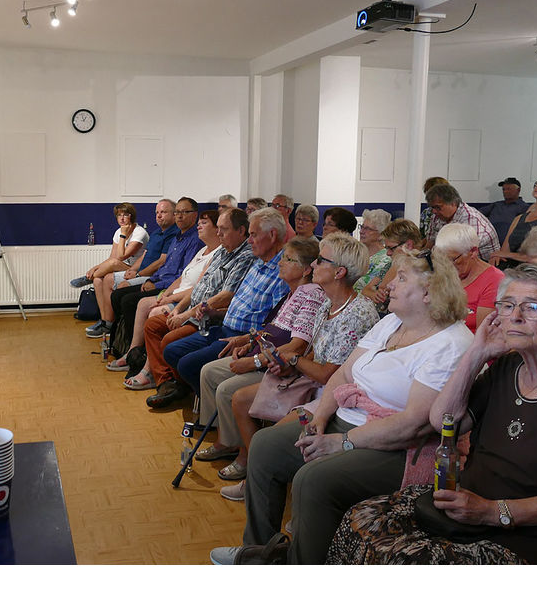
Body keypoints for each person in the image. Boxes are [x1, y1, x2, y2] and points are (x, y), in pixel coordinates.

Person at [209, 248, 473, 565]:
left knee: (313, 479)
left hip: (398, 445)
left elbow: (413, 423)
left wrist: (341, 441)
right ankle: (260, 552)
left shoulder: (450, 343)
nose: (390, 285)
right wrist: (319, 418)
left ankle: (301, 565)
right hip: (344, 419)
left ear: (429, 293)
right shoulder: (391, 323)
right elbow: (344, 373)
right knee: (266, 446)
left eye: (401, 278)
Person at [327, 264, 537, 565]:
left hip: (535, 538)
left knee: (405, 563)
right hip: (468, 513)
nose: (516, 317)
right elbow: (444, 422)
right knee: (362, 522)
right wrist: (476, 353)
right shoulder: (507, 368)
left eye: (532, 307)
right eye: (507, 306)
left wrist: (494, 511)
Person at [210, 234, 380, 497]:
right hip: (311, 382)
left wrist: (292, 360)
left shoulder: (356, 313)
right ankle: (255, 475)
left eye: (321, 260)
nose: (313, 265)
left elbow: (328, 376)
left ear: (339, 272)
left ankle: (261, 484)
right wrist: (289, 366)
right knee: (241, 400)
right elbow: (311, 352)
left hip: (334, 397)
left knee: (267, 442)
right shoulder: (327, 302)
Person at [192, 238, 325, 475]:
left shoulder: (311, 295)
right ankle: (226, 439)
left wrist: (253, 361)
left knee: (226, 389)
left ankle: (247, 457)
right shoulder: (293, 292)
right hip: (264, 353)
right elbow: (273, 328)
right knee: (209, 371)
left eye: (288, 259)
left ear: (306, 269)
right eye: (283, 257)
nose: (280, 263)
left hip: (278, 366)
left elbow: (296, 345)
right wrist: (248, 341)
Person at [150, 208, 291, 408]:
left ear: (272, 235)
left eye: (253, 235)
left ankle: (211, 408)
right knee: (172, 350)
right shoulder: (258, 263)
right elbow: (233, 303)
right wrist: (214, 312)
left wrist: (247, 340)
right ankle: (205, 401)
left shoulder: (281, 272)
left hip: (242, 336)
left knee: (186, 362)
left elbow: (274, 324)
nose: (250, 241)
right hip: (222, 324)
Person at [133, 208, 255, 395]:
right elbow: (199, 285)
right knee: (152, 325)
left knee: (169, 341)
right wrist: (180, 308)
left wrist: (186, 315)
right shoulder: (222, 250)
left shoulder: (245, 256)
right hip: (192, 309)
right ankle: (165, 381)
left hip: (209, 317)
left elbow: (227, 295)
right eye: (218, 228)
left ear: (241, 231)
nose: (219, 233)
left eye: (224, 229)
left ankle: (181, 386)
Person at [108, 210, 220, 376]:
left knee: (151, 310)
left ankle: (149, 369)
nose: (199, 226)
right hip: (173, 290)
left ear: (217, 229)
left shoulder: (216, 253)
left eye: (204, 223)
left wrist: (168, 296)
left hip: (187, 300)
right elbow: (182, 277)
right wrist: (164, 294)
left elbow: (198, 287)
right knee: (140, 302)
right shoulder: (201, 250)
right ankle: (132, 353)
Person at [89, 197, 203, 339]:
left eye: (184, 212)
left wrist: (143, 276)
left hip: (166, 284)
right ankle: (112, 328)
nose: (179, 216)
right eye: (157, 212)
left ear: (194, 215)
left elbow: (174, 271)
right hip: (155, 278)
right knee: (107, 285)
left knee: (124, 295)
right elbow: (151, 258)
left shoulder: (188, 238)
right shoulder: (170, 236)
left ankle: (129, 343)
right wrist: (142, 275)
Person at [435, 224, 504, 332]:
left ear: (473, 252)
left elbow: (483, 335)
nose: (447, 266)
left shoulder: (494, 281)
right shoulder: (445, 272)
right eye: (443, 260)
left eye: (452, 259)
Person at [489, 175, 537, 269]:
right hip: (511, 268)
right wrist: (497, 256)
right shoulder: (519, 218)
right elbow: (504, 251)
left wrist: (509, 255)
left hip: (535, 271)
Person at [70, 202, 148, 291]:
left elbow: (121, 257)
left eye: (125, 215)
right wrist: (95, 268)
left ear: (131, 216)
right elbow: (112, 257)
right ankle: (92, 279)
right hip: (123, 267)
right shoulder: (118, 232)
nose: (122, 218)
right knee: (97, 280)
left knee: (114, 263)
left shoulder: (139, 232)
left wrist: (123, 234)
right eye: (119, 215)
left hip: (136, 269)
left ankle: (88, 279)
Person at [424, 183, 500, 261]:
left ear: (453, 203)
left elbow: (465, 254)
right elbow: (431, 242)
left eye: (438, 207)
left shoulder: (470, 218)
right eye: (432, 207)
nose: (434, 211)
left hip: (482, 261)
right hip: (455, 258)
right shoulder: (437, 216)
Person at [363, 218, 424, 314]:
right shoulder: (391, 264)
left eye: (391, 248)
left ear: (408, 245)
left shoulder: (422, 270)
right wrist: (375, 294)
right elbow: (365, 289)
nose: (388, 253)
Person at [480, 177, 530, 244]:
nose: (505, 192)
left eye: (509, 189)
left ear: (518, 190)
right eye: (503, 189)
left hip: (508, 243)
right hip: (488, 240)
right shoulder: (496, 205)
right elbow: (477, 214)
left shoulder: (525, 208)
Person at [353, 209, 392, 293]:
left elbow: (370, 289)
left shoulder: (385, 260)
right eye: (362, 227)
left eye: (367, 229)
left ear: (381, 234)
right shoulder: (357, 254)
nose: (361, 231)